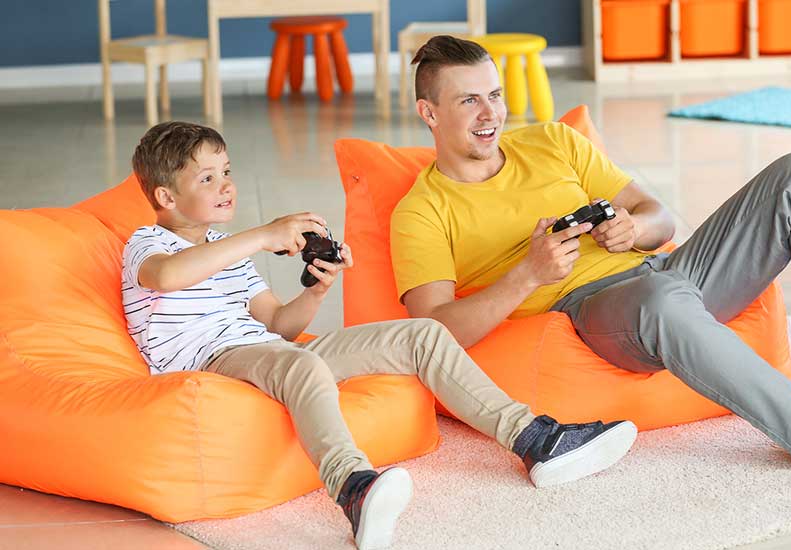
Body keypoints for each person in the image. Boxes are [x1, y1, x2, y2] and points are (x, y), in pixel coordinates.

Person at [391, 35, 791, 482]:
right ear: (429, 112)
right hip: (597, 311)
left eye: (494, 94)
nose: (490, 113)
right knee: (661, 298)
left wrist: (633, 229)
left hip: (669, 273)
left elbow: (659, 218)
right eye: (468, 100)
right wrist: (527, 275)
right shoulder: (421, 211)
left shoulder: (553, 141)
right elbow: (433, 330)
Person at [122, 121, 637, 550]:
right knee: (300, 364)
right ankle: (353, 487)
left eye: (227, 172)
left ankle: (536, 440)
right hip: (209, 363)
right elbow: (167, 277)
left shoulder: (225, 250)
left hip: (265, 351)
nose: (227, 185)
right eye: (208, 178)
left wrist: (316, 291)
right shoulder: (147, 244)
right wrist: (262, 235)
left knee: (423, 336)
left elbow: (279, 326)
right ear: (167, 196)